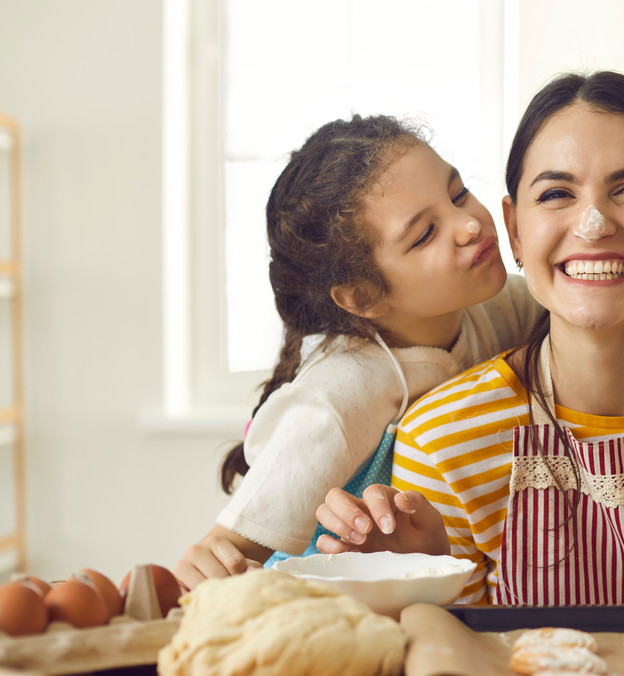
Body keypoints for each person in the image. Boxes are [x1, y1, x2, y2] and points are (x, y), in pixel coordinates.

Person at [316, 70, 624, 605]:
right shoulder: (442, 444)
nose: (593, 225)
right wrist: (422, 594)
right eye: (557, 193)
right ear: (514, 230)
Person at [172, 115, 546, 591]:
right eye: (424, 234)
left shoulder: (502, 306)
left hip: (449, 594)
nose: (470, 223)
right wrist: (206, 565)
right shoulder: (336, 396)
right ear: (363, 296)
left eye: (457, 193)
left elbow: (600, 319)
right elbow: (229, 550)